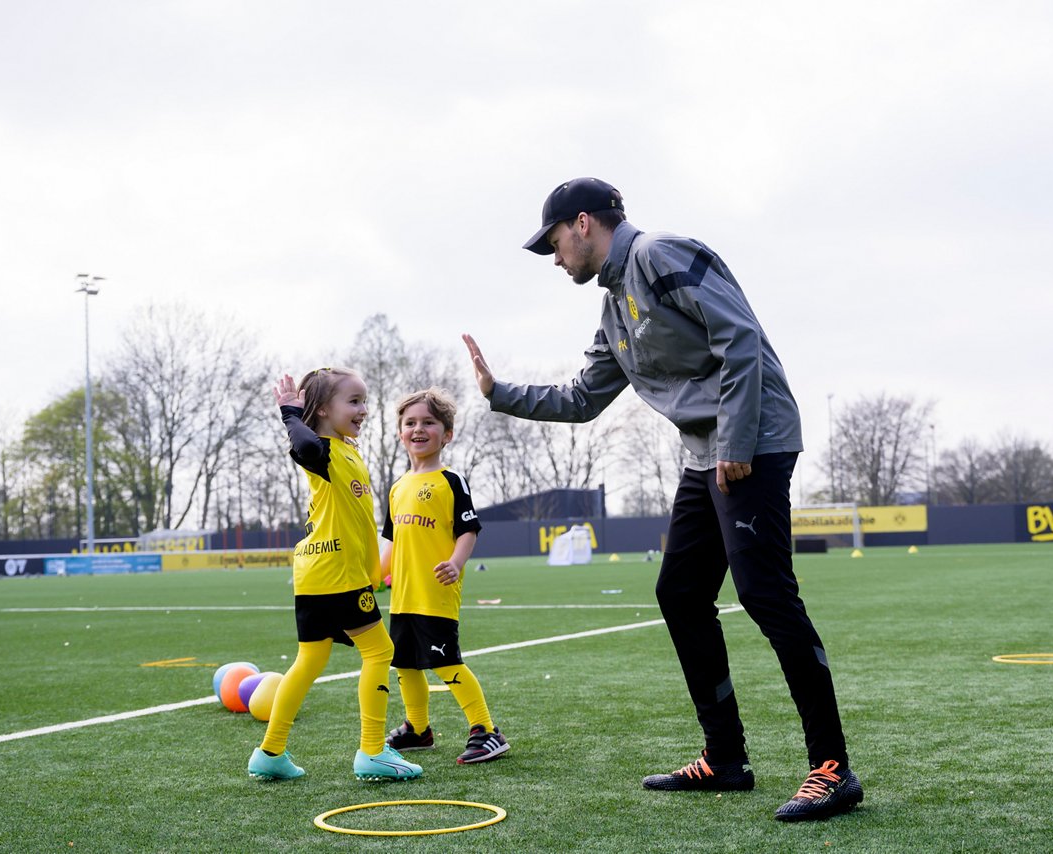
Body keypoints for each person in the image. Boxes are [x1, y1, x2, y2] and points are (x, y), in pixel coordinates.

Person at [462, 178, 863, 821]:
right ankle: (725, 759)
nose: (556, 258)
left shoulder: (661, 254)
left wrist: (736, 440)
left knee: (766, 595)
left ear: (584, 223)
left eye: (556, 243)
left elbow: (742, 340)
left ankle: (832, 769)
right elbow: (581, 399)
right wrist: (497, 392)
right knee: (680, 593)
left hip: (752, 441)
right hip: (705, 454)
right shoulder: (614, 306)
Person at [247, 367, 422, 783]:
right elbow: (305, 447)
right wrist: (291, 415)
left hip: (316, 572)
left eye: (365, 401)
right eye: (354, 401)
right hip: (336, 572)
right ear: (323, 409)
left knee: (309, 660)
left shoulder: (346, 448)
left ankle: (270, 752)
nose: (364, 410)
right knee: (379, 652)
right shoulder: (321, 448)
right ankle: (374, 750)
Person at [379, 388, 509, 765]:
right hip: (403, 594)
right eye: (410, 423)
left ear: (446, 434)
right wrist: (372, 575)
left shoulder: (451, 481)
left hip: (436, 592)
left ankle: (486, 730)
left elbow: (468, 530)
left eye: (428, 423)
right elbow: (389, 542)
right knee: (403, 662)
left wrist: (456, 562)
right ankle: (418, 728)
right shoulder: (398, 488)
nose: (418, 429)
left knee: (445, 661)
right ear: (400, 433)